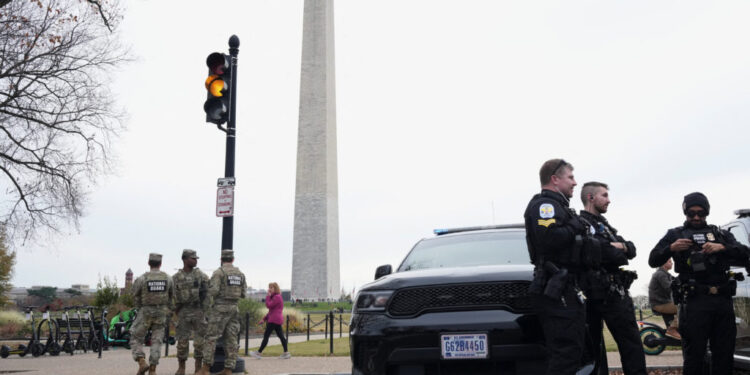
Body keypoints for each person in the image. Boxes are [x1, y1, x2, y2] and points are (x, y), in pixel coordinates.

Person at [648, 192, 750, 375]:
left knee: (724, 355)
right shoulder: (675, 234)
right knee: (694, 357)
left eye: (701, 213)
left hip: (722, 301)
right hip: (694, 302)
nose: (696, 217)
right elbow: (653, 259)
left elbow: (745, 254)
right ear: (685, 213)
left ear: (707, 213)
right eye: (691, 213)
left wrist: (723, 248)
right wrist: (671, 248)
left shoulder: (720, 234)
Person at [524, 158, 600, 375]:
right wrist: (575, 225)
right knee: (565, 352)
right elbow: (548, 237)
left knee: (573, 350)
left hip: (567, 287)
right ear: (555, 179)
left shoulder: (560, 207)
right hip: (557, 288)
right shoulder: (545, 206)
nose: (575, 183)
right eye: (571, 177)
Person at [579, 182, 646, 375]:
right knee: (593, 348)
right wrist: (614, 247)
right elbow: (606, 252)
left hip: (615, 292)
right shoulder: (581, 224)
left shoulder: (605, 225)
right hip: (593, 293)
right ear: (591, 198)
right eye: (604, 195)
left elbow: (631, 249)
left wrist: (620, 246)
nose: (609, 200)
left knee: (631, 344)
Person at [196, 249, 247, 375]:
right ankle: (229, 369)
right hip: (234, 309)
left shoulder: (219, 273)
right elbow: (244, 294)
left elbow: (213, 291)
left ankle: (206, 368)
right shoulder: (240, 274)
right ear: (233, 259)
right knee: (231, 339)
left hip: (220, 308)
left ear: (221, 259)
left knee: (211, 337)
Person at [130, 253, 175, 375]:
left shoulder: (142, 278)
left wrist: (140, 307)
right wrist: (168, 310)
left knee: (135, 336)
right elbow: (172, 297)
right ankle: (153, 370)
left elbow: (134, 295)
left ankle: (141, 361)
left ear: (149, 263)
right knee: (157, 341)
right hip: (161, 313)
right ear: (160, 264)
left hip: (145, 312)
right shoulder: (168, 278)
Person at [172, 249, 209, 375]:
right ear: (185, 259)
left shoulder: (201, 275)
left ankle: (198, 368)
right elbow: (172, 295)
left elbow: (207, 293)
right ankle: (181, 367)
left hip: (198, 310)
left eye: (196, 258)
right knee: (182, 341)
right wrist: (175, 310)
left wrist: (204, 309)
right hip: (183, 311)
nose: (195, 260)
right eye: (193, 258)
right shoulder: (176, 278)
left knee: (200, 341)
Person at [250, 282, 290, 359]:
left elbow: (268, 306)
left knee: (266, 336)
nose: (269, 289)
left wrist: (268, 297)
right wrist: (264, 319)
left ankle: (259, 353)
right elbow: (271, 311)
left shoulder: (277, 297)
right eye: (269, 287)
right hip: (276, 319)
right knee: (281, 336)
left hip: (273, 320)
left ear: (276, 289)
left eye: (271, 288)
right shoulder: (276, 297)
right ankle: (286, 353)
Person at [648, 258, 680, 339]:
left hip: (664, 303)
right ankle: (672, 329)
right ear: (663, 263)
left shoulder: (666, 274)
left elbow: (676, 281)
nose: (672, 263)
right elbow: (669, 287)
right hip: (659, 304)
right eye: (669, 261)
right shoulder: (660, 274)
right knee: (684, 307)